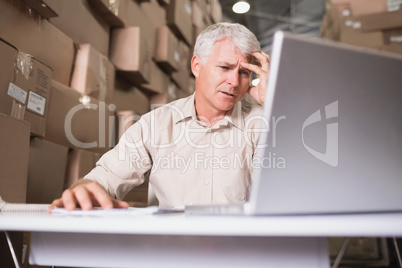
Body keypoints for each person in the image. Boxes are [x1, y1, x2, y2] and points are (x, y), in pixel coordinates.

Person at [50, 22, 271, 211]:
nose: (234, 82)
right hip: (172, 253)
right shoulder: (155, 125)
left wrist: (275, 102)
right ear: (197, 65)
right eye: (225, 67)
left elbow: (294, 187)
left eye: (244, 72)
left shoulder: (262, 122)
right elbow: (104, 179)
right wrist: (84, 189)